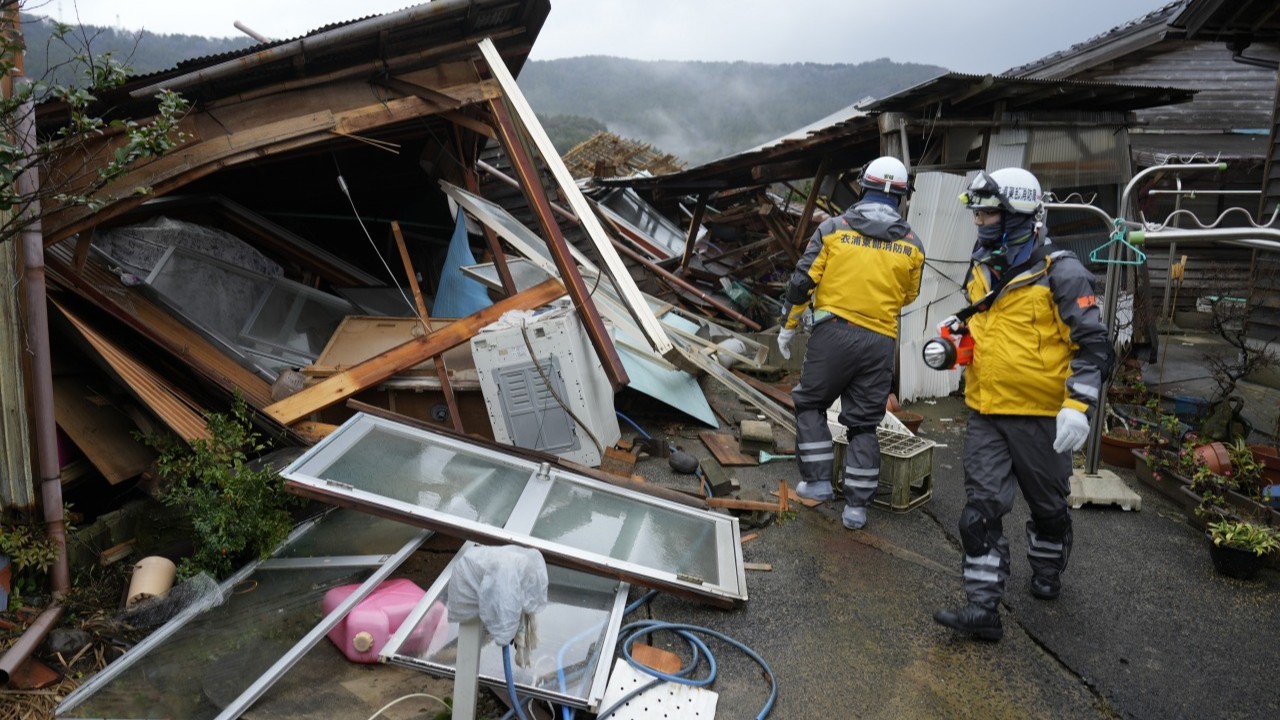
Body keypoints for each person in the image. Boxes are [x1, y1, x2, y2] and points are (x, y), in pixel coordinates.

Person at [932, 168, 1112, 641]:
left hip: (1043, 418)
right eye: (978, 213)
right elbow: (991, 329)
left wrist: (1079, 406)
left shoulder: (1063, 272)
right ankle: (983, 610)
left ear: (1018, 214)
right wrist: (960, 336)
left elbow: (1094, 346)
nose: (980, 222)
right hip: (987, 411)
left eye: (988, 213)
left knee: (1049, 508)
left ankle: (1048, 569)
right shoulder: (981, 264)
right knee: (979, 512)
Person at [777, 156, 925, 530]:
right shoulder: (913, 244)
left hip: (833, 334)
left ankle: (817, 483)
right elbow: (909, 295)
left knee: (810, 404)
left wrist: (789, 325)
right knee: (864, 424)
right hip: (880, 343)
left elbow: (801, 282)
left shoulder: (832, 229)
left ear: (863, 185)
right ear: (901, 196)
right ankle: (857, 509)